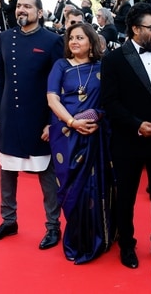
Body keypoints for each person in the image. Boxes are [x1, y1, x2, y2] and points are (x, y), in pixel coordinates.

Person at [0, 0, 64, 250]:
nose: (22, 10)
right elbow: (0, 80)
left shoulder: (52, 41)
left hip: (39, 118)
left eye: (28, 6)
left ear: (40, 13)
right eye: (19, 6)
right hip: (8, 115)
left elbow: (58, 85)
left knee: (46, 174)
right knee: (7, 170)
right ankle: (9, 221)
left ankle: (53, 227)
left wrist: (52, 122)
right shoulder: (5, 38)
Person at [101, 2, 151, 269]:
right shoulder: (113, 59)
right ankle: (127, 246)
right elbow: (110, 102)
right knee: (127, 198)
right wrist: (136, 124)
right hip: (127, 140)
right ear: (134, 28)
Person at [46, 23, 114, 264]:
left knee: (93, 187)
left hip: (94, 134)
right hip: (65, 134)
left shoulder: (102, 67)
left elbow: (109, 99)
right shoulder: (60, 65)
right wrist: (73, 122)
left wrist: (97, 115)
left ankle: (96, 237)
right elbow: (52, 98)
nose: (74, 42)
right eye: (71, 38)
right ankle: (74, 238)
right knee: (69, 188)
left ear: (91, 42)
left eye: (80, 38)